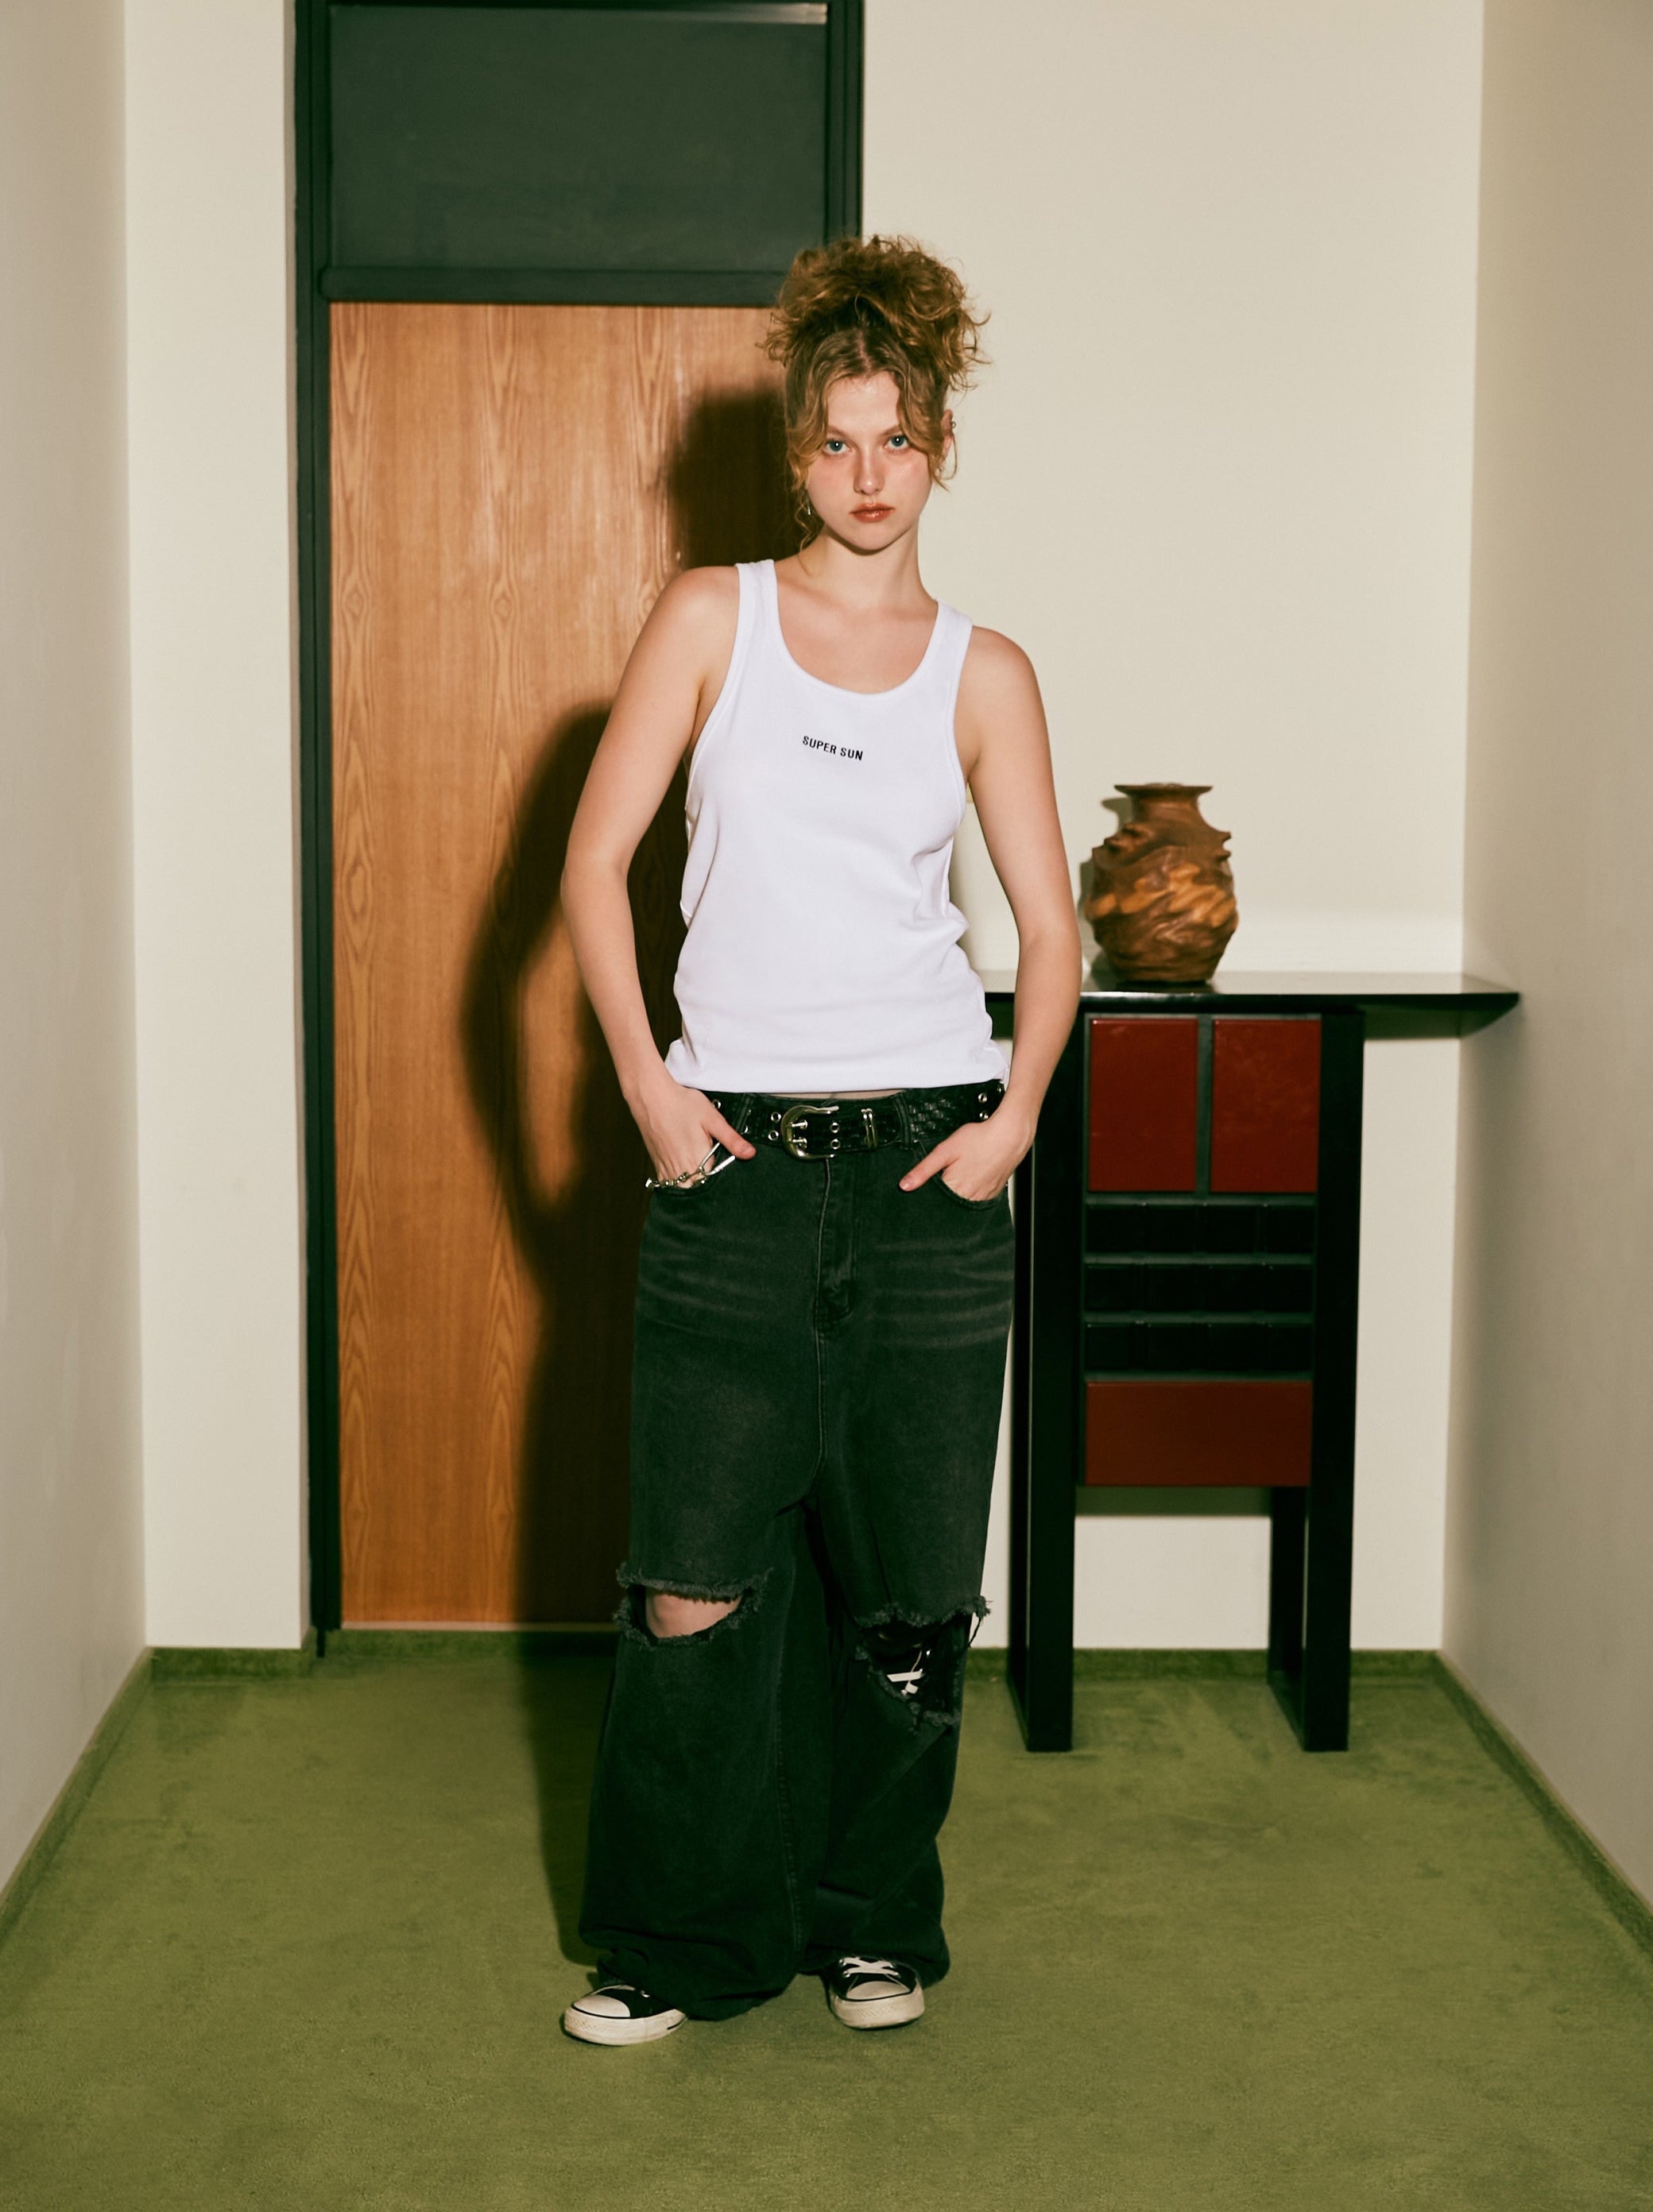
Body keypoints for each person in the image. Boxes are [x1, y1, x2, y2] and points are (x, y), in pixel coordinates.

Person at [558, 234, 1078, 2045]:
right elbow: (591, 867)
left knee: (909, 1599)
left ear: (938, 449)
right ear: (796, 455)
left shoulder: (984, 672)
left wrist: (1015, 1115)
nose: (869, 474)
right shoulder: (712, 618)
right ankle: (681, 1943)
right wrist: (649, 1090)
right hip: (735, 1168)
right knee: (693, 1583)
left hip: (930, 1170)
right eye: (838, 441)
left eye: (898, 439)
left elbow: (1052, 929)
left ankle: (870, 1926)